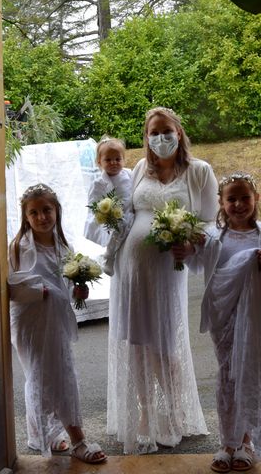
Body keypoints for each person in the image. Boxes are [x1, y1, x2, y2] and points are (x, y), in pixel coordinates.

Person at [107, 107, 218, 454]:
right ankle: (144, 412)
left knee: (165, 343)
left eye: (165, 130)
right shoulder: (140, 168)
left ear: (179, 132)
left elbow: (211, 222)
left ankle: (171, 411)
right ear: (146, 138)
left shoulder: (199, 172)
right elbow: (126, 212)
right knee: (137, 341)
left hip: (167, 273)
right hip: (130, 271)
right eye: (153, 133)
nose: (160, 138)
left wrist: (191, 243)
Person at [184, 172, 261, 472]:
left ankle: (245, 442)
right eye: (232, 199)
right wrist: (186, 248)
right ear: (221, 202)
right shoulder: (214, 237)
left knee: (250, 374)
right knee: (228, 376)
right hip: (223, 316)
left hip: (256, 316)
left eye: (245, 198)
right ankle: (226, 442)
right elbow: (195, 263)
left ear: (256, 199)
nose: (239, 204)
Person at [8, 183, 107, 464]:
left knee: (61, 374)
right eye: (34, 212)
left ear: (57, 211)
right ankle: (77, 440)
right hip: (31, 323)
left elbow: (66, 286)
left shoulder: (65, 246)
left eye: (46, 210)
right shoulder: (18, 248)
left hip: (57, 322)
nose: (41, 217)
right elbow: (10, 289)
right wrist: (39, 292)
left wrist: (79, 290)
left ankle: (53, 433)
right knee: (43, 376)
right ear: (26, 217)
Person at [83, 136, 133, 275]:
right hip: (111, 217)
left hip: (130, 211)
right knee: (117, 229)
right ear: (99, 161)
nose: (113, 163)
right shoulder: (98, 183)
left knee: (127, 225)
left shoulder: (129, 174)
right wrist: (104, 213)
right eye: (108, 160)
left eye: (118, 159)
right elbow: (93, 202)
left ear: (123, 159)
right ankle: (109, 256)